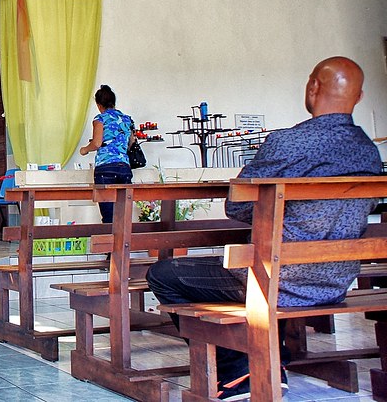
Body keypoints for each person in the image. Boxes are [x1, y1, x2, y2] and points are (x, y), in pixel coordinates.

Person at [146, 56, 382, 400]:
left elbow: (238, 206)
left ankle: (239, 369)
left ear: (312, 87)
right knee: (271, 259)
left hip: (277, 279)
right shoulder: (368, 152)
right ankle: (273, 358)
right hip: (336, 282)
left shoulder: (288, 143)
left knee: (163, 274)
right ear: (359, 97)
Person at [79, 84, 136, 223]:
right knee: (123, 215)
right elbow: (131, 142)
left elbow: (97, 143)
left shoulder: (100, 118)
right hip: (124, 167)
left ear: (99, 105)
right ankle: (124, 238)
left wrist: (85, 149)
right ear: (113, 102)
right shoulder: (127, 119)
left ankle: (109, 237)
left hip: (106, 168)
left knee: (108, 216)